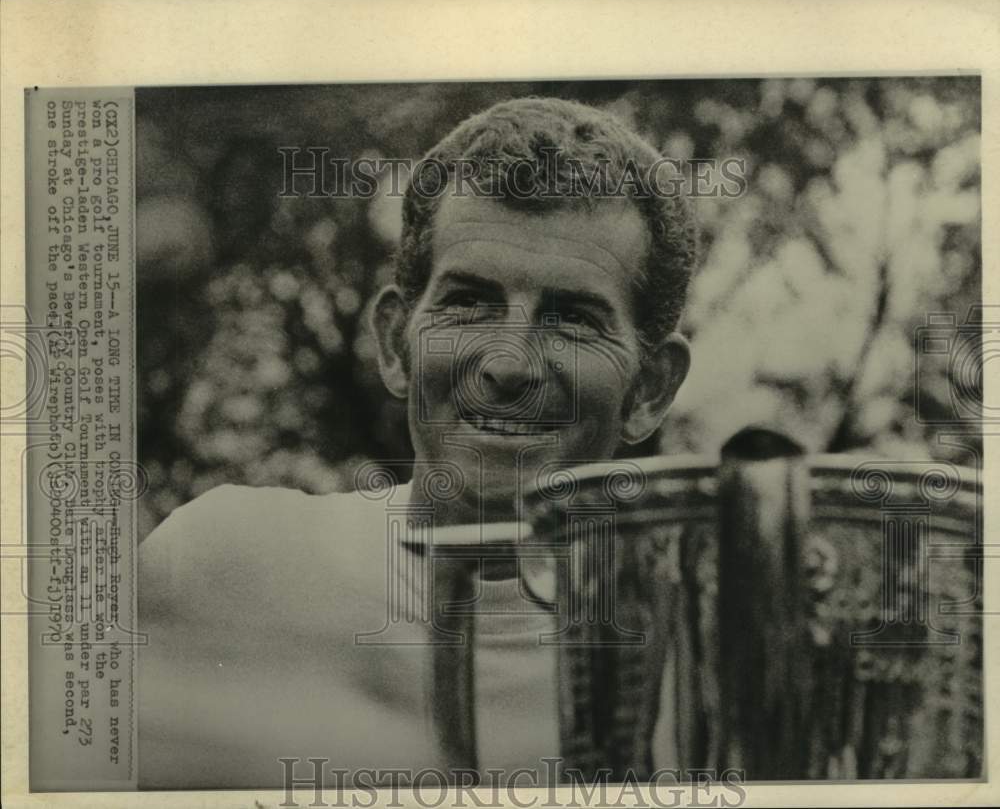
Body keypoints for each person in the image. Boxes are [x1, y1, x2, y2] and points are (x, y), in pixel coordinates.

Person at [138, 97, 698, 789]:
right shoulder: (218, 565)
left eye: (573, 319)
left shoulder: (713, 652)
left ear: (650, 387)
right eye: (467, 302)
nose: (508, 364)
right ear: (396, 342)